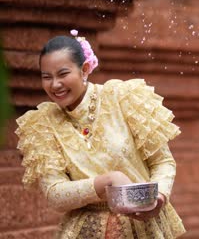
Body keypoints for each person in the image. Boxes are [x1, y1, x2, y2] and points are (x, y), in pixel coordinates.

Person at [15, 30, 185, 238]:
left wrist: (159, 196)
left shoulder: (122, 97)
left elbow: (163, 162)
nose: (55, 85)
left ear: (84, 69)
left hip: (145, 227)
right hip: (85, 231)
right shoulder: (42, 123)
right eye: (46, 77)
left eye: (63, 74)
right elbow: (54, 194)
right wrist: (106, 182)